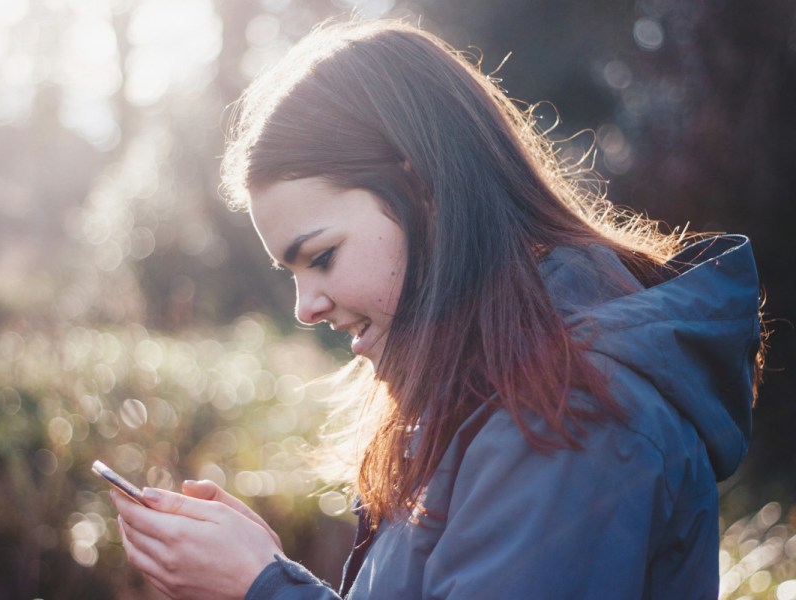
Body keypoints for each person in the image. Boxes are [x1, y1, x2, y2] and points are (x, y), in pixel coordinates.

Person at [111, 18, 764, 599]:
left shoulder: (572, 416)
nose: (307, 307)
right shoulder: (496, 393)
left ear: (422, 190)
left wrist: (261, 586)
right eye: (292, 272)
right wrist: (260, 573)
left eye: (322, 256)